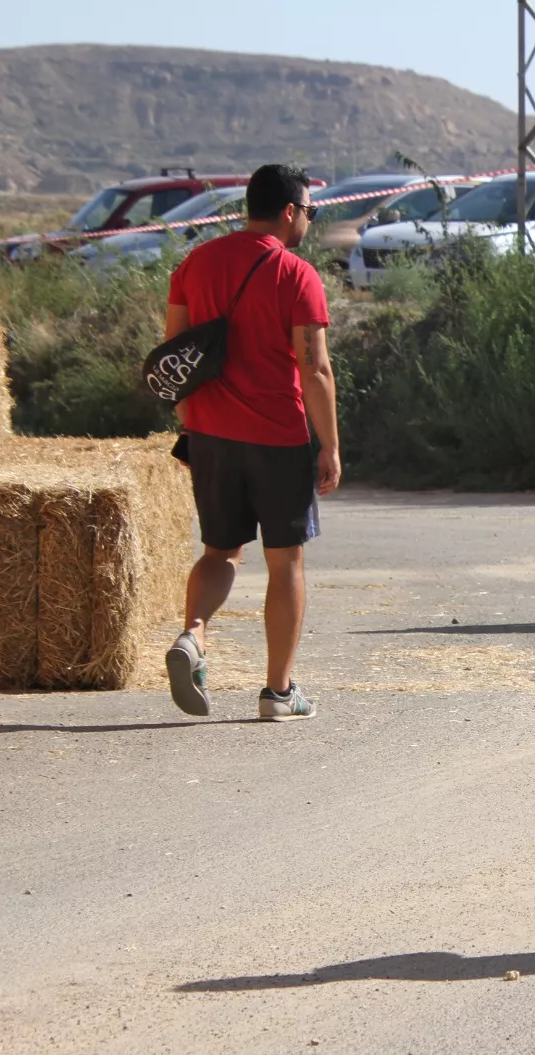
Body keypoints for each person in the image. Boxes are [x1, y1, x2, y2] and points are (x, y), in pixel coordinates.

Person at [162, 163, 341, 722]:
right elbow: (314, 369)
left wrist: (191, 421)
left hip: (211, 434)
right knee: (285, 561)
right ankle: (278, 692)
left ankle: (193, 636)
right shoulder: (296, 273)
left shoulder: (195, 263)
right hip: (276, 436)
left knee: (220, 553)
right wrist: (330, 445)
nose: (310, 220)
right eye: (310, 211)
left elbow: (175, 355)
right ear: (290, 211)